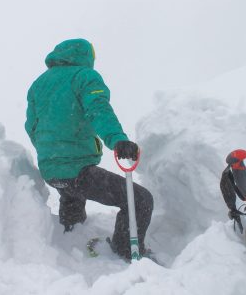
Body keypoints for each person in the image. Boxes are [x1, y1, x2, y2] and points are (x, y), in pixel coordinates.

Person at [25, 38, 153, 260]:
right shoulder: (84, 76)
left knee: (72, 196)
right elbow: (98, 109)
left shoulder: (38, 85)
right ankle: (126, 251)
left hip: (51, 171)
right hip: (77, 170)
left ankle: (70, 240)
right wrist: (117, 139)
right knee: (140, 200)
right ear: (86, 56)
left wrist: (51, 154)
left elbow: (31, 126)